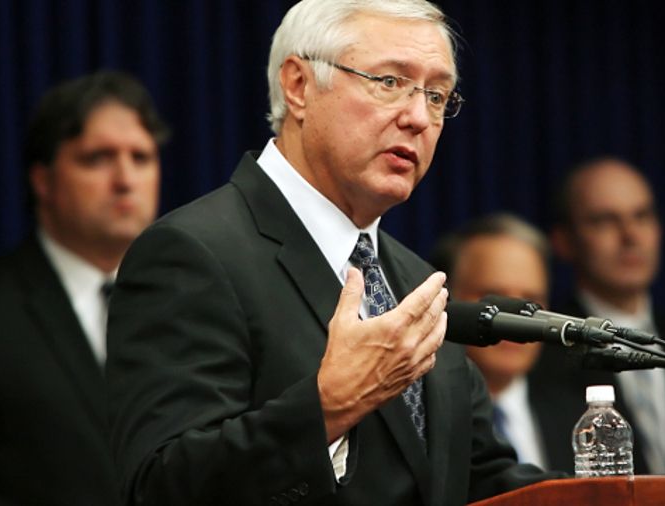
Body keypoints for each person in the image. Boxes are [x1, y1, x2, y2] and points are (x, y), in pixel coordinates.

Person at [105, 1, 561, 505]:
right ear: (299, 86)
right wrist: (327, 407)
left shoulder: (417, 282)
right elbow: (159, 486)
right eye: (389, 82)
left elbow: (475, 478)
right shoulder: (193, 253)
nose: (417, 117)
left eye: (436, 95)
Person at [0, 70, 169, 506]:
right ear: (42, 180)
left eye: (141, 157)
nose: (125, 180)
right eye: (97, 158)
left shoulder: (192, 301)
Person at [533, 156, 665, 475]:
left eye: (642, 216)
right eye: (605, 220)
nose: (630, 235)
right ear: (564, 241)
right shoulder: (546, 349)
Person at [430, 212, 556, 469]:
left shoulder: (580, 408)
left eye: (531, 302)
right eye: (495, 300)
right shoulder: (423, 414)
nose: (517, 320)